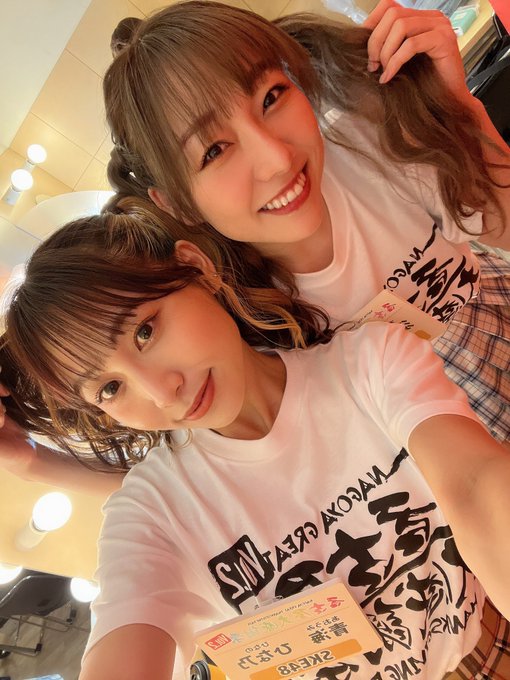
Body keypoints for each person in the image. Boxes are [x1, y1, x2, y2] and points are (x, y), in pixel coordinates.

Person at [1, 201, 510, 680]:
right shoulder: (151, 512)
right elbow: (126, 633)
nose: (161, 391)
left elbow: (474, 484)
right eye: (110, 388)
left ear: (197, 268)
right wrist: (28, 463)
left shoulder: (370, 364)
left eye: (145, 332)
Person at [103, 0, 510, 443]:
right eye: (214, 151)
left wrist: (456, 107)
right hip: (444, 434)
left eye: (271, 97)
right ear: (178, 205)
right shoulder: (241, 318)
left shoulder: (368, 139)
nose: (277, 159)